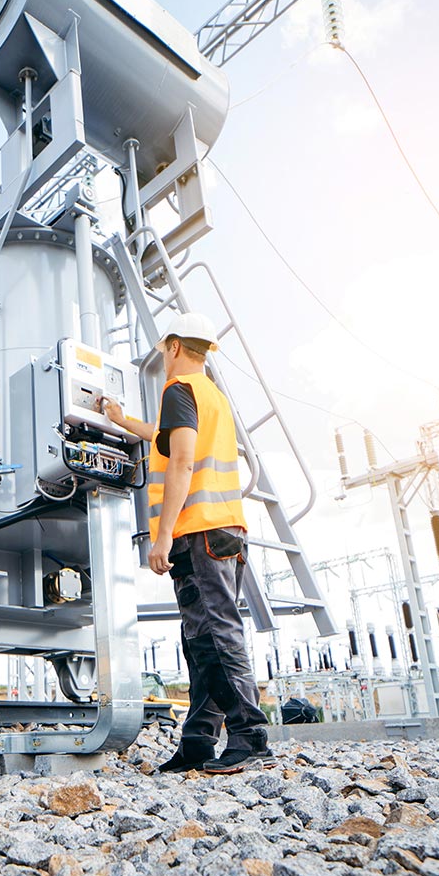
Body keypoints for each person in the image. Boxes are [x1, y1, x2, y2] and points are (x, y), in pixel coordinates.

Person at [100, 312, 276, 774]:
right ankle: (198, 742)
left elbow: (179, 463)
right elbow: (166, 441)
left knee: (214, 634)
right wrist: (121, 421)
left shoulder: (178, 391)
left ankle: (250, 737)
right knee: (202, 638)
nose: (162, 356)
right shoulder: (211, 396)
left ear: (174, 346)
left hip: (197, 531)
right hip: (226, 529)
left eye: (163, 349)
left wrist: (161, 537)